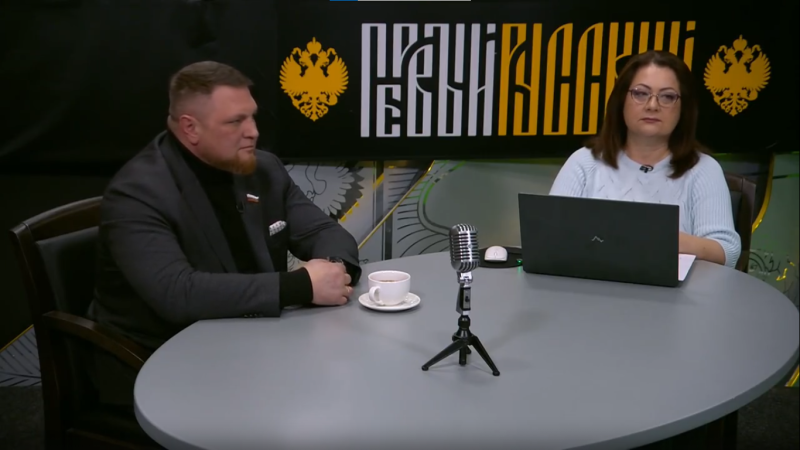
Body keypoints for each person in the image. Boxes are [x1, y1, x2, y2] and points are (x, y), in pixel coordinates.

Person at [85, 61, 361, 406]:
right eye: (235, 122)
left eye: (252, 117)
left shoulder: (264, 169)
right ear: (191, 128)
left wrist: (333, 270)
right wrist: (301, 285)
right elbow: (177, 293)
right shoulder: (138, 193)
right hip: (155, 360)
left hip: (251, 343)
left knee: (348, 386)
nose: (253, 132)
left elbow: (323, 231)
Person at [549, 50, 741, 268]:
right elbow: (548, 236)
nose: (652, 105)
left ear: (683, 108)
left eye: (667, 96)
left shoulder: (702, 169)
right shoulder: (584, 162)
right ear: (621, 100)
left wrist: (653, 237)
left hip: (676, 289)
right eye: (640, 93)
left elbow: (727, 252)